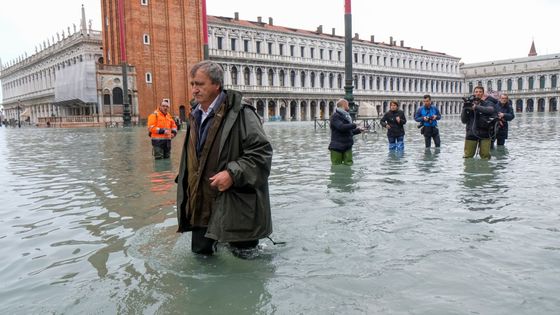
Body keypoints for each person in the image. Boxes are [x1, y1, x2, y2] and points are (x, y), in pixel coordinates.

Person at [176, 60, 273, 257]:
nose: (194, 90)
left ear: (217, 84)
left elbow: (261, 153)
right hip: (200, 202)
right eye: (192, 84)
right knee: (201, 259)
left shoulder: (243, 113)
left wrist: (232, 174)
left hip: (236, 204)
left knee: (244, 264)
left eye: (200, 84)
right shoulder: (195, 114)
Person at [461, 86, 496, 159]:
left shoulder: (488, 103)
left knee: (485, 156)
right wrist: (465, 108)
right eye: (476, 92)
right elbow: (463, 121)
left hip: (485, 133)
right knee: (468, 156)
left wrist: (476, 107)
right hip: (471, 133)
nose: (478, 93)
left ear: (483, 93)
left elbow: (491, 110)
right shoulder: (469, 104)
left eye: (480, 92)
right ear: (474, 93)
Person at [328, 98, 365, 165]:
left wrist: (359, 130)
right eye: (347, 105)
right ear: (344, 105)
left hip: (347, 146)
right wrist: (355, 124)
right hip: (337, 147)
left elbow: (349, 132)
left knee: (349, 165)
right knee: (337, 166)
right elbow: (341, 127)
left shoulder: (347, 116)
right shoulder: (335, 116)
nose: (348, 107)